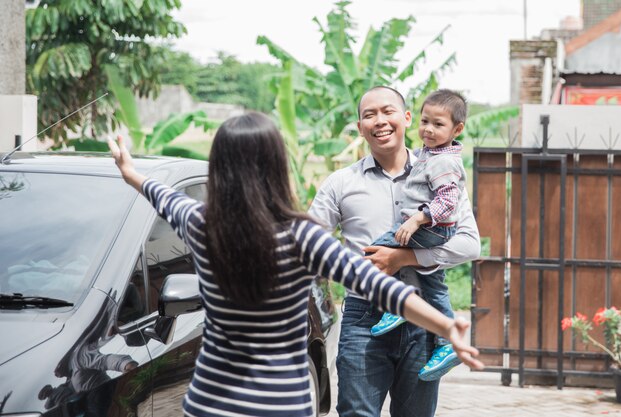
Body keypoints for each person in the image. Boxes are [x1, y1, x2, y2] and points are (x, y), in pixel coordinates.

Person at [107, 112, 483, 417]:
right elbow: (380, 285)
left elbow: (162, 195)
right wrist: (446, 324)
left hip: (210, 402)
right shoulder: (303, 237)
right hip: (281, 404)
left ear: (219, 166)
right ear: (276, 166)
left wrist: (130, 171)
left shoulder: (201, 224)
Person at [308, 86, 481, 417]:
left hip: (424, 318)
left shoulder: (440, 171)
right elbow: (309, 246)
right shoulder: (340, 183)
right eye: (369, 115)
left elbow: (469, 243)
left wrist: (404, 258)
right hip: (364, 318)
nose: (380, 121)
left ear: (406, 118)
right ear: (360, 127)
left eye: (388, 112)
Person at [367, 89, 469, 382]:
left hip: (430, 228)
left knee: (379, 250)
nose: (428, 129)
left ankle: (398, 304)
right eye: (425, 121)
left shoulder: (443, 161)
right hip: (430, 228)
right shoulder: (431, 154)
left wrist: (417, 218)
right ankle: (446, 344)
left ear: (457, 129)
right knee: (434, 286)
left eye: (438, 124)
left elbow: (449, 199)